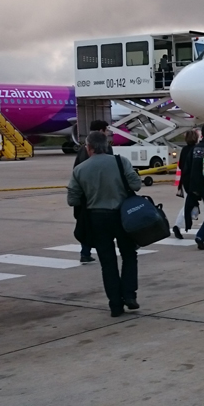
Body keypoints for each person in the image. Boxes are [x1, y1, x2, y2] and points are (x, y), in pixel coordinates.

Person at [66, 131, 141, 317]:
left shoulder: (80, 169)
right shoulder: (120, 161)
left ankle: (115, 304)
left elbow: (72, 199)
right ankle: (130, 295)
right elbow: (136, 184)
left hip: (97, 218)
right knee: (129, 255)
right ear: (107, 146)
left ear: (89, 148)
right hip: (122, 216)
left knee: (108, 263)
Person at [73, 119, 113, 263]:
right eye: (106, 130)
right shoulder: (106, 148)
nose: (108, 132)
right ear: (101, 131)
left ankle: (85, 252)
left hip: (85, 195)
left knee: (86, 224)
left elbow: (75, 171)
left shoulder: (82, 150)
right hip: (101, 194)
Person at [172, 129, 200, 239]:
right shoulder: (196, 150)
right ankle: (178, 225)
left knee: (188, 203)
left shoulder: (184, 150)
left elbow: (180, 165)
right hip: (193, 181)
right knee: (188, 205)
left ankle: (181, 223)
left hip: (184, 180)